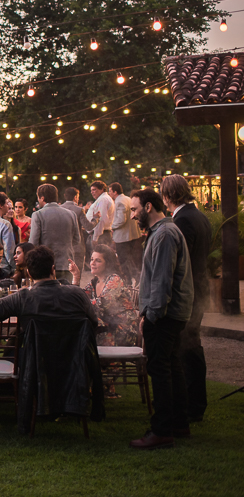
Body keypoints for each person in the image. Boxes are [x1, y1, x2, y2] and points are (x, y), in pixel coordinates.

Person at [129, 189, 194, 450]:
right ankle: (179, 423)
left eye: (134, 210)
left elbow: (162, 280)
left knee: (160, 370)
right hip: (171, 312)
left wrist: (151, 316)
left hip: (165, 314)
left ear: (147, 207)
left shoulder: (165, 234)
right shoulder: (161, 233)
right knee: (171, 366)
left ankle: (162, 429)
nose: (132, 215)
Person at [160, 174, 212, 423]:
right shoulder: (199, 215)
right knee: (190, 345)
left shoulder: (182, 220)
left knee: (187, 347)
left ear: (168, 196)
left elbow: (181, 260)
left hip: (189, 292)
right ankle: (193, 402)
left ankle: (193, 404)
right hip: (199, 288)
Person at [0, 245, 98, 332]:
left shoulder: (22, 297)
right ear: (53, 269)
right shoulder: (77, 293)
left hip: (36, 361)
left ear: (29, 273)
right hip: (74, 361)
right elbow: (93, 322)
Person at [77, 244, 138, 347]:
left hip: (121, 330)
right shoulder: (95, 282)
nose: (92, 263)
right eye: (92, 259)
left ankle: (93, 361)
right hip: (106, 326)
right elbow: (80, 296)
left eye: (98, 260)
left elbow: (102, 304)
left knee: (83, 332)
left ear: (108, 264)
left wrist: (79, 302)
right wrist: (76, 278)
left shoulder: (115, 280)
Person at [29, 184, 80, 283]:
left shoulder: (38, 215)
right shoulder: (71, 214)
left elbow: (33, 242)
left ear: (42, 198)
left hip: (45, 265)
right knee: (66, 295)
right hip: (67, 263)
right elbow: (77, 240)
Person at [110, 182, 143, 284]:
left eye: (110, 191)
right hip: (134, 235)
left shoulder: (119, 202)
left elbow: (121, 220)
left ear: (115, 192)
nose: (109, 193)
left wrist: (111, 227)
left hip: (123, 237)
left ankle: (127, 282)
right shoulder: (128, 199)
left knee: (124, 261)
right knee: (135, 260)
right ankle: (137, 280)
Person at [61, 187, 91, 274]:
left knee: (65, 274)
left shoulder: (60, 208)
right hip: (77, 246)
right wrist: (96, 218)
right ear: (75, 197)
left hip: (63, 246)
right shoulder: (79, 210)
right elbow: (88, 226)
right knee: (77, 273)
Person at [86, 181, 115, 246]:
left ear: (101, 189)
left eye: (94, 190)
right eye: (91, 190)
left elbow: (101, 218)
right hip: (101, 233)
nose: (92, 192)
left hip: (101, 235)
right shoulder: (103, 199)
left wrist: (95, 238)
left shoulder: (103, 199)